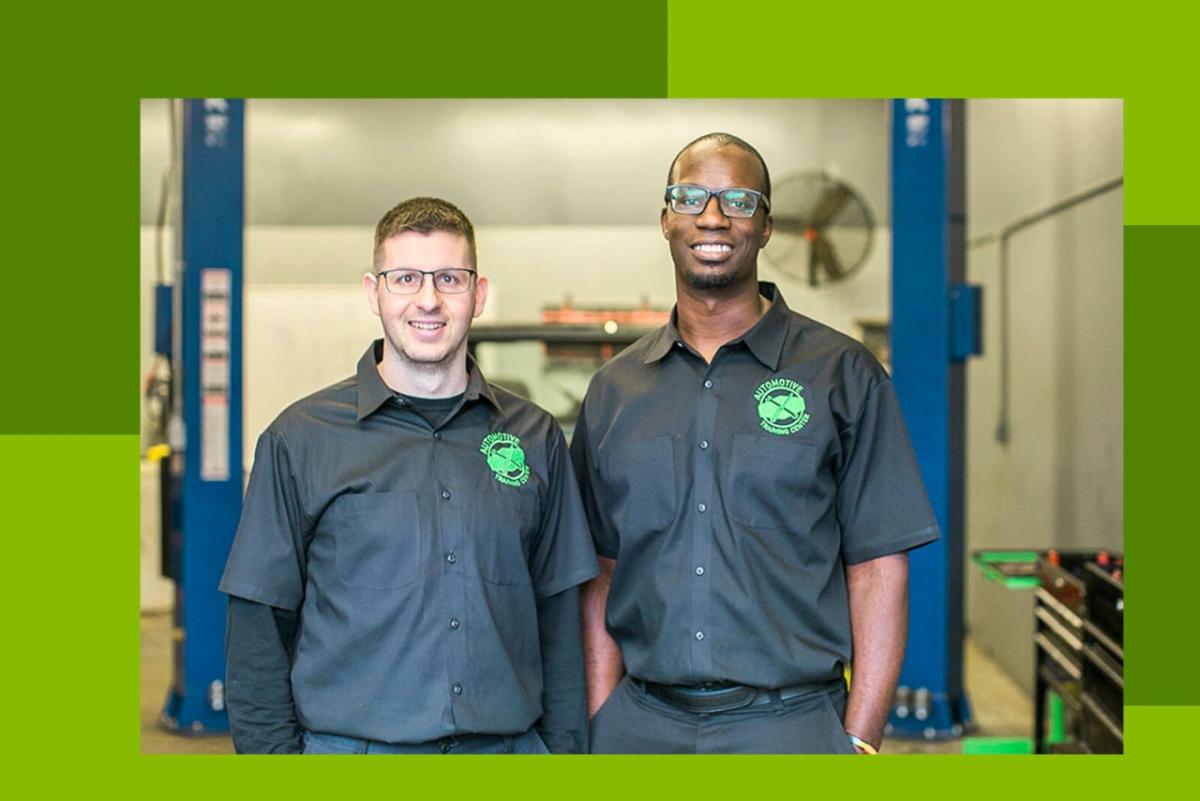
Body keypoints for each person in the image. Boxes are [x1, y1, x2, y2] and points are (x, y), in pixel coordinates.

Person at [571, 133, 940, 754]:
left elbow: (878, 568)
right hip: (641, 728)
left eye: (738, 200)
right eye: (690, 197)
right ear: (666, 219)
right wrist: (603, 719)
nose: (712, 216)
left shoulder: (842, 375)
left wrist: (860, 740)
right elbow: (601, 575)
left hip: (791, 728)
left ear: (767, 225)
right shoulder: (614, 391)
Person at [220, 197, 598, 754]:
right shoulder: (299, 441)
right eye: (406, 279)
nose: (429, 300)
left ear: (479, 293)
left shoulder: (534, 437)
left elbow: (560, 618)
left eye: (449, 278)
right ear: (374, 293)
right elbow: (257, 626)